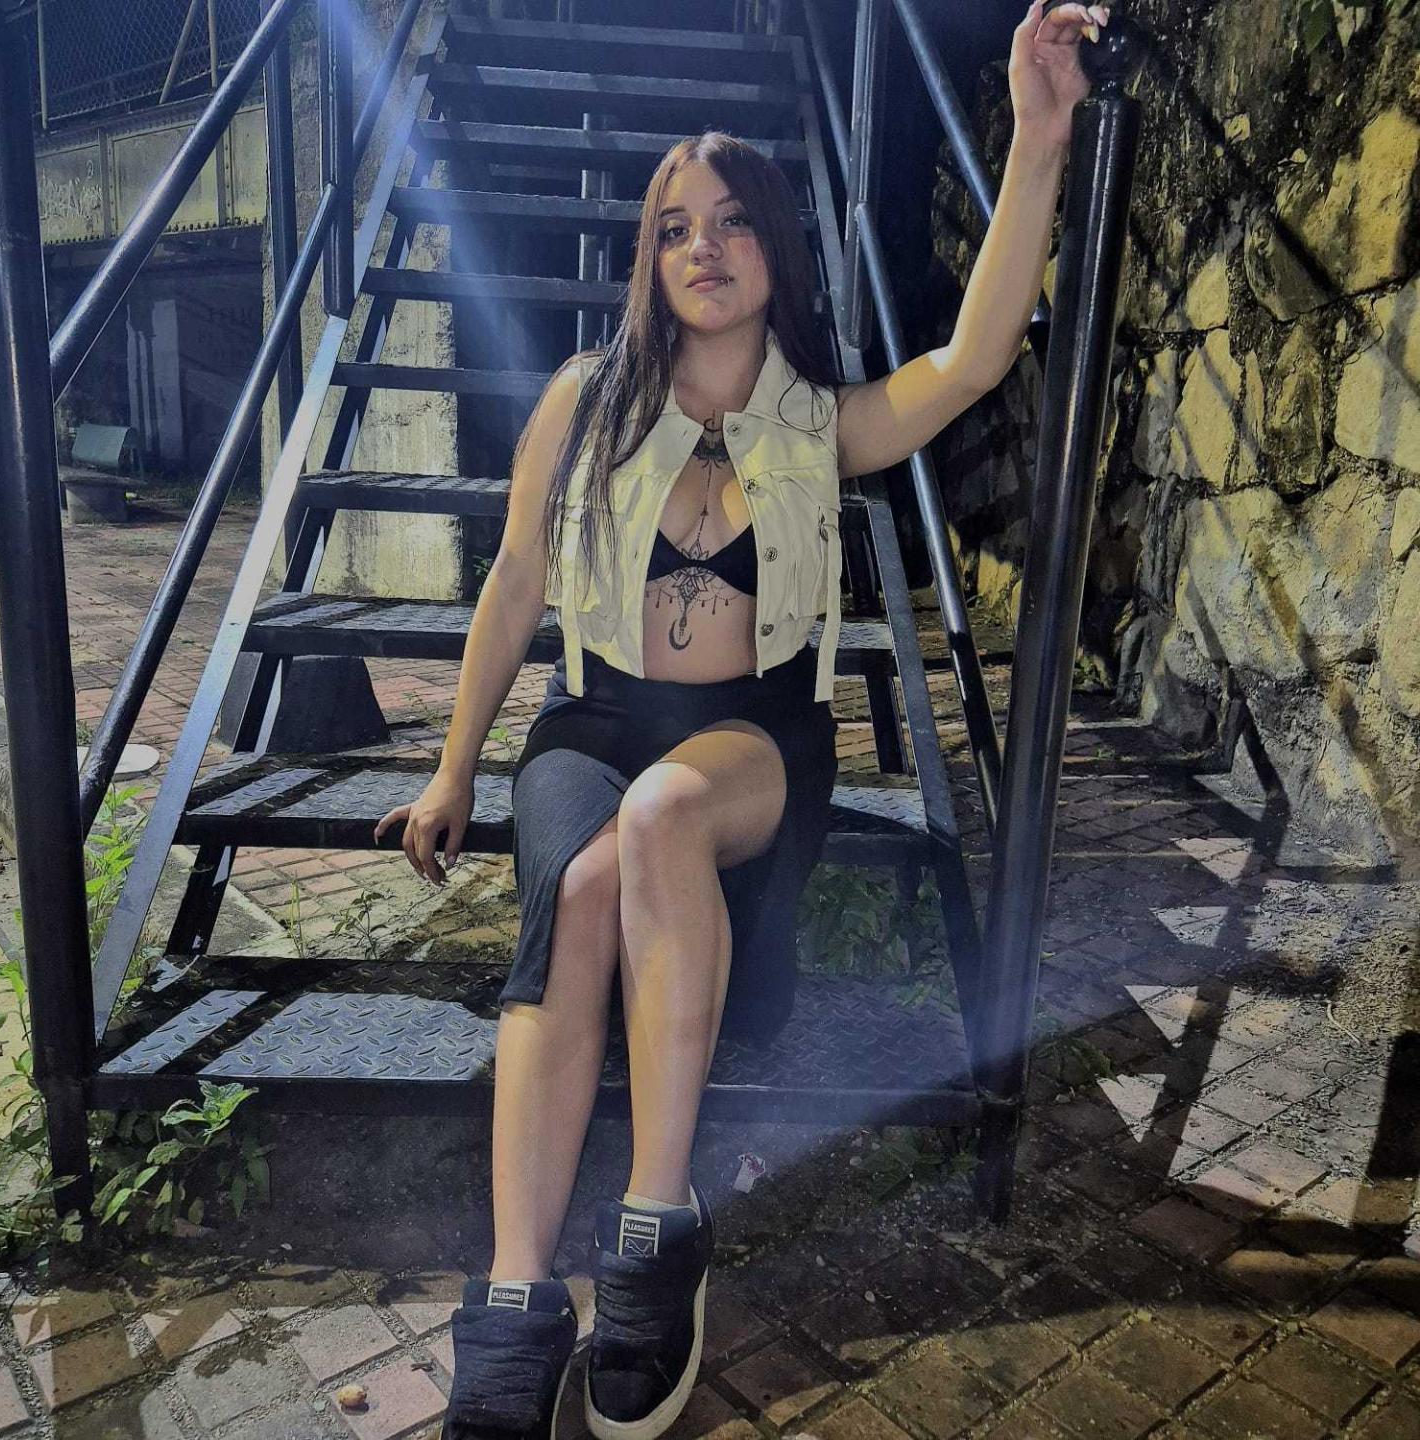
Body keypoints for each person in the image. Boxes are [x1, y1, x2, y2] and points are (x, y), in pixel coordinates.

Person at [374, 5, 1108, 1434]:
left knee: (661, 818)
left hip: (753, 738)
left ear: (775, 245)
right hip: (592, 721)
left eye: (729, 222)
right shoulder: (583, 402)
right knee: (577, 893)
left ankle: (656, 1227)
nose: (700, 246)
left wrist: (1036, 138)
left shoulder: (821, 421)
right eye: (672, 228)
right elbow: (516, 582)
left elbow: (973, 359)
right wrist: (455, 767)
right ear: (647, 260)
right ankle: (519, 1291)